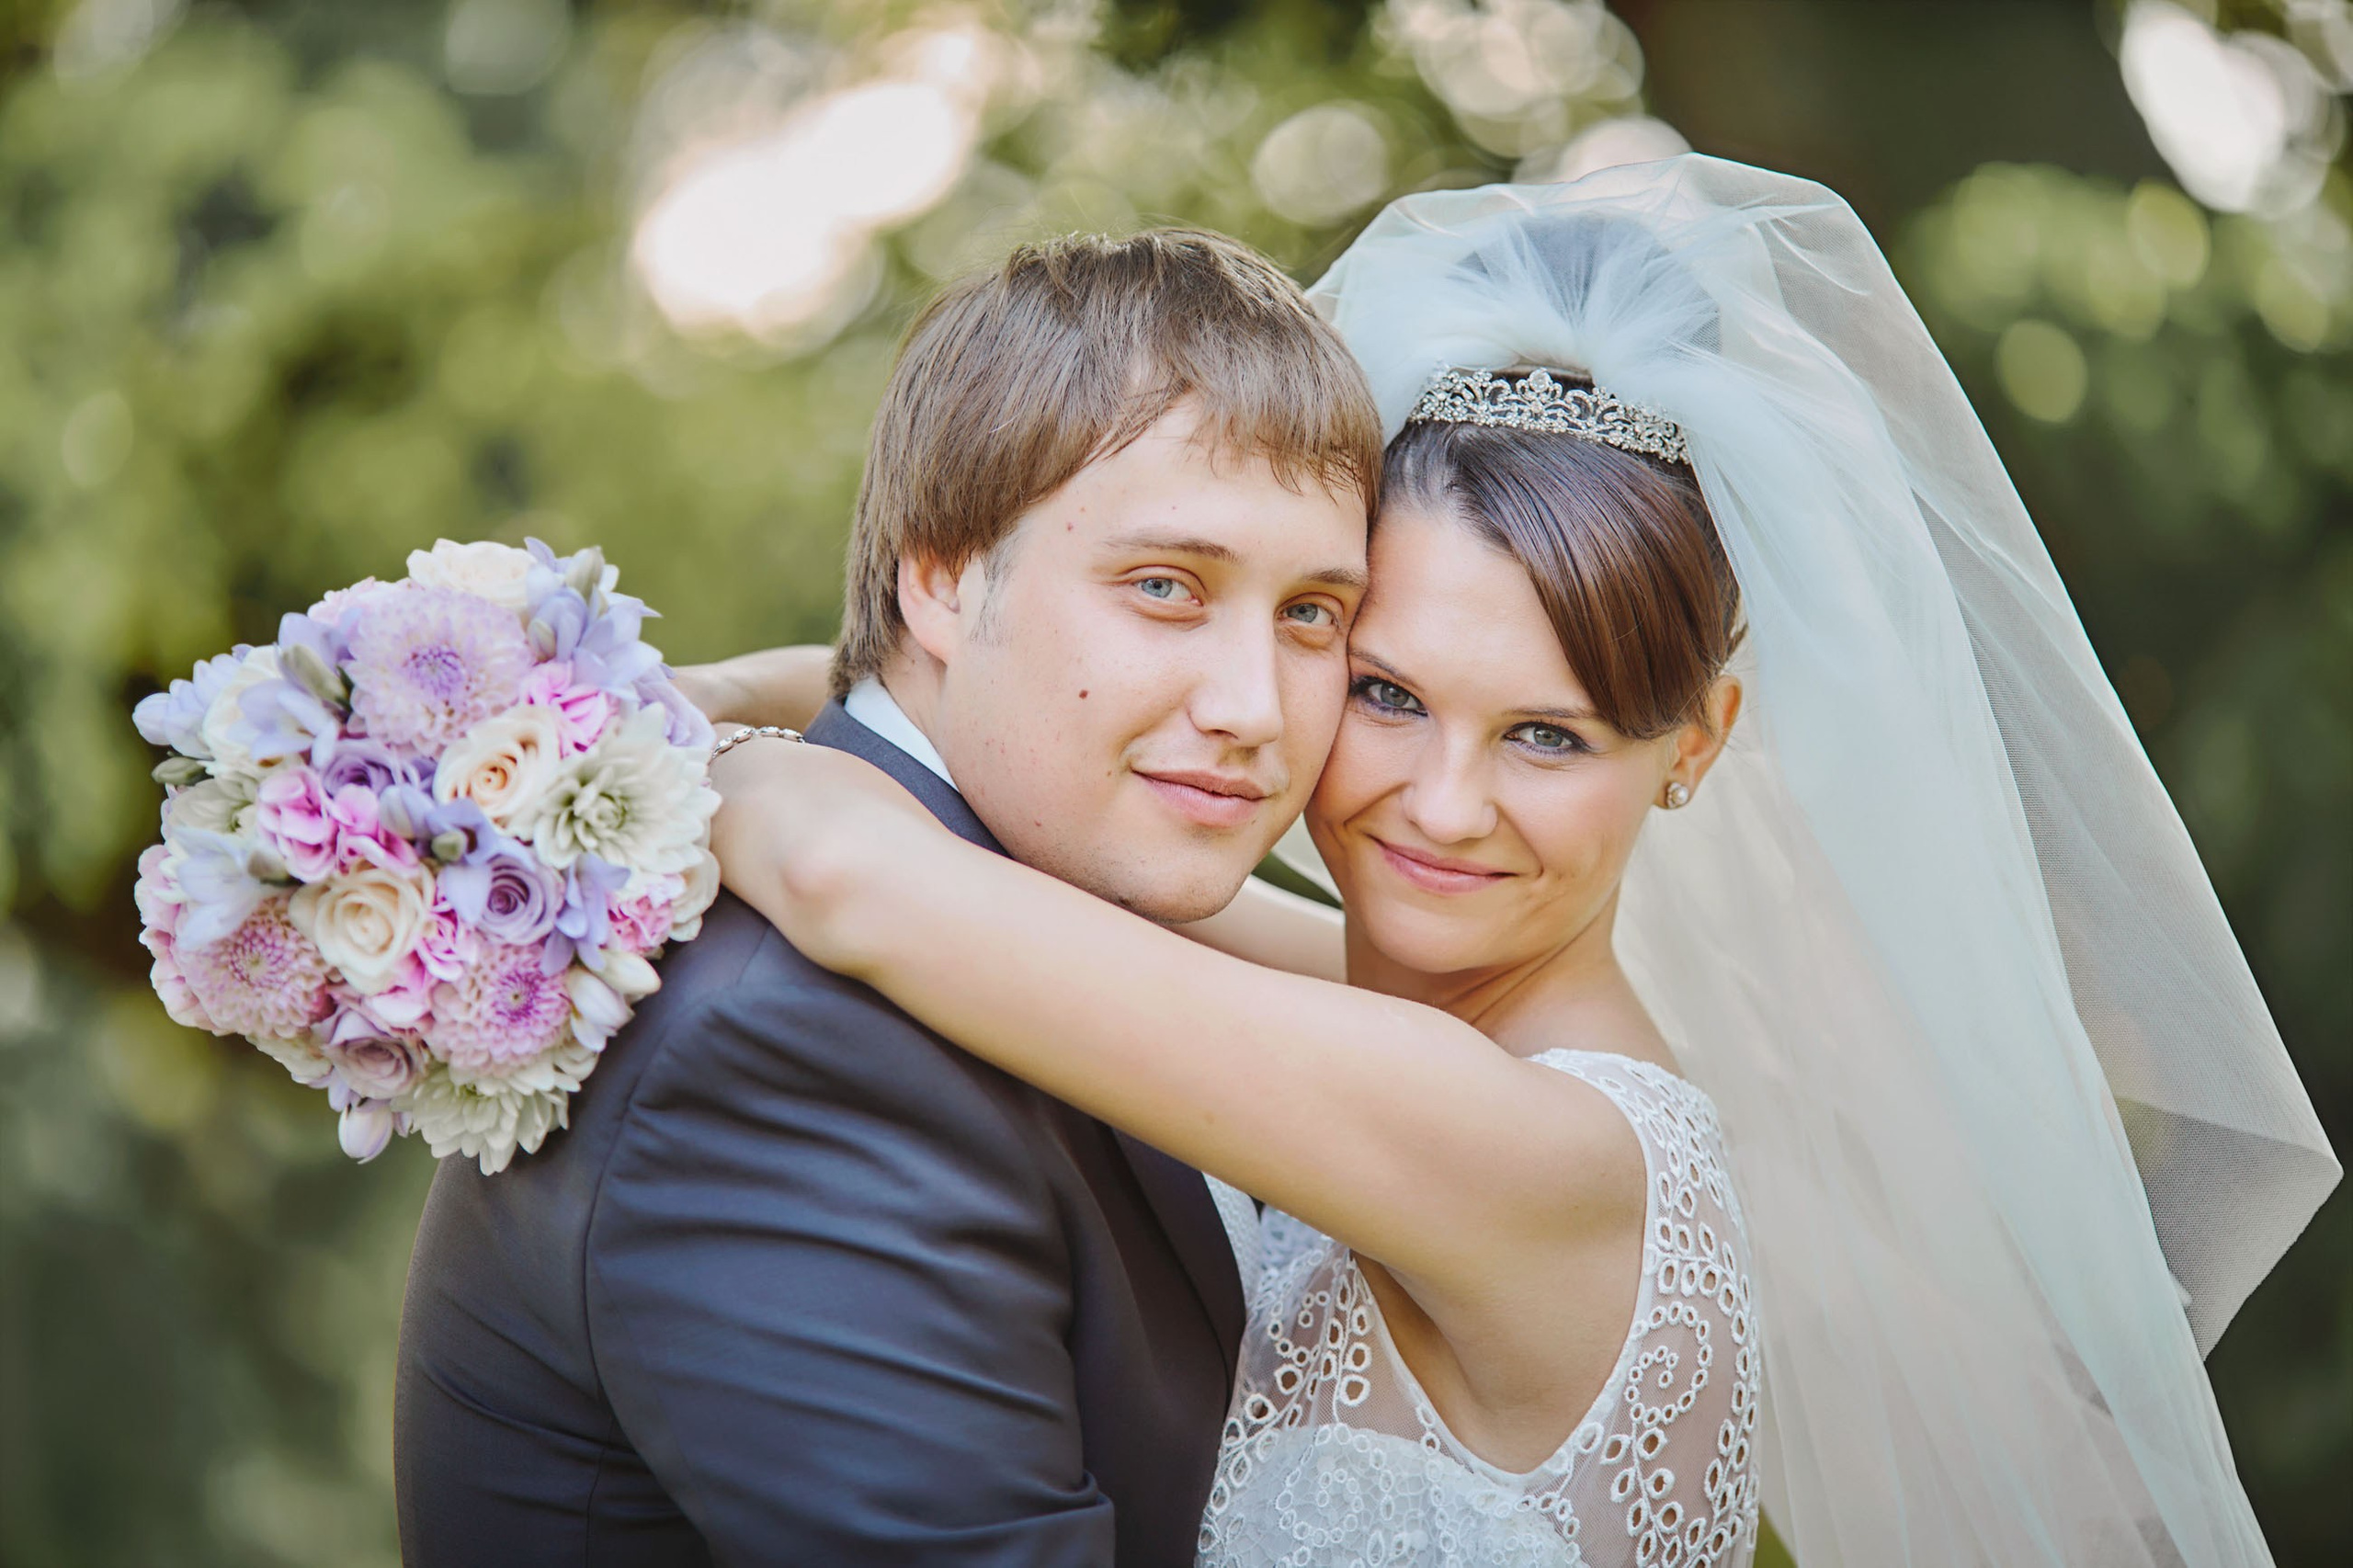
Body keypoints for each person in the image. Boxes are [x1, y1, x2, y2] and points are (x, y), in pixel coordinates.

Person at [693, 158, 2339, 1566]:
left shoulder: (1540, 1144)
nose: (1440, 805)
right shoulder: (1426, 1012)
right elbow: (993, 735)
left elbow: (852, 877)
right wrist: (754, 684)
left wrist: (603, 748)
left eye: (1547, 736)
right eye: (1386, 690)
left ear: (1694, 745)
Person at [391, 228, 1383, 1564]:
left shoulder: (1059, 898)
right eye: (1166, 587)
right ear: (940, 578)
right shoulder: (787, 1053)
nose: (1258, 708)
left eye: (1314, 615)